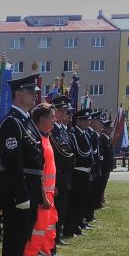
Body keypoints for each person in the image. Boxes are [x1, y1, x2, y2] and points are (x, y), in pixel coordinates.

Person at [0, 73, 43, 256]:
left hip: (30, 187)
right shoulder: (11, 123)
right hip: (19, 190)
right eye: (30, 92)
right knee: (13, 240)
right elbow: (13, 162)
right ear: (18, 94)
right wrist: (21, 193)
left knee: (22, 238)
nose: (34, 95)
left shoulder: (26, 120)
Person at [22, 103, 60, 256]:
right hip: (41, 197)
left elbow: (50, 169)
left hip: (50, 195)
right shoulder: (37, 140)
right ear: (41, 120)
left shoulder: (46, 138)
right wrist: (43, 196)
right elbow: (37, 173)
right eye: (51, 117)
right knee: (37, 232)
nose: (55, 120)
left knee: (49, 231)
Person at [48, 97, 75, 248]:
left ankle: (56, 238)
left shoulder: (61, 130)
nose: (65, 114)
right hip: (58, 178)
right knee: (56, 213)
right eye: (62, 111)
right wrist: (56, 182)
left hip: (65, 178)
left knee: (62, 211)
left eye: (65, 111)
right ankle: (53, 241)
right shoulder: (53, 131)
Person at [66, 109, 95, 237]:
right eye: (85, 120)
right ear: (78, 121)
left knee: (82, 201)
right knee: (75, 202)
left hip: (86, 172)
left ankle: (78, 225)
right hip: (78, 172)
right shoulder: (74, 134)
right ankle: (71, 228)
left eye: (88, 120)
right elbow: (81, 153)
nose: (88, 122)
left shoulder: (85, 134)